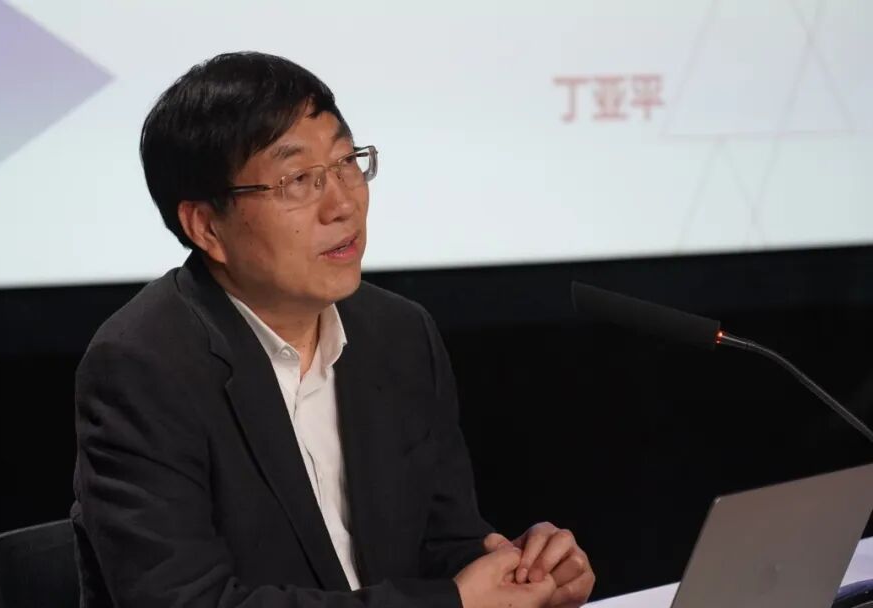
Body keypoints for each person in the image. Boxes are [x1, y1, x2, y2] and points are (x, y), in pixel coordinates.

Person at [71, 51, 595, 608]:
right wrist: (451, 603)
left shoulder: (398, 334)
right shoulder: (144, 367)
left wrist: (521, 571)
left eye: (347, 162)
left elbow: (441, 543)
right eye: (298, 180)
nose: (343, 203)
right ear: (206, 227)